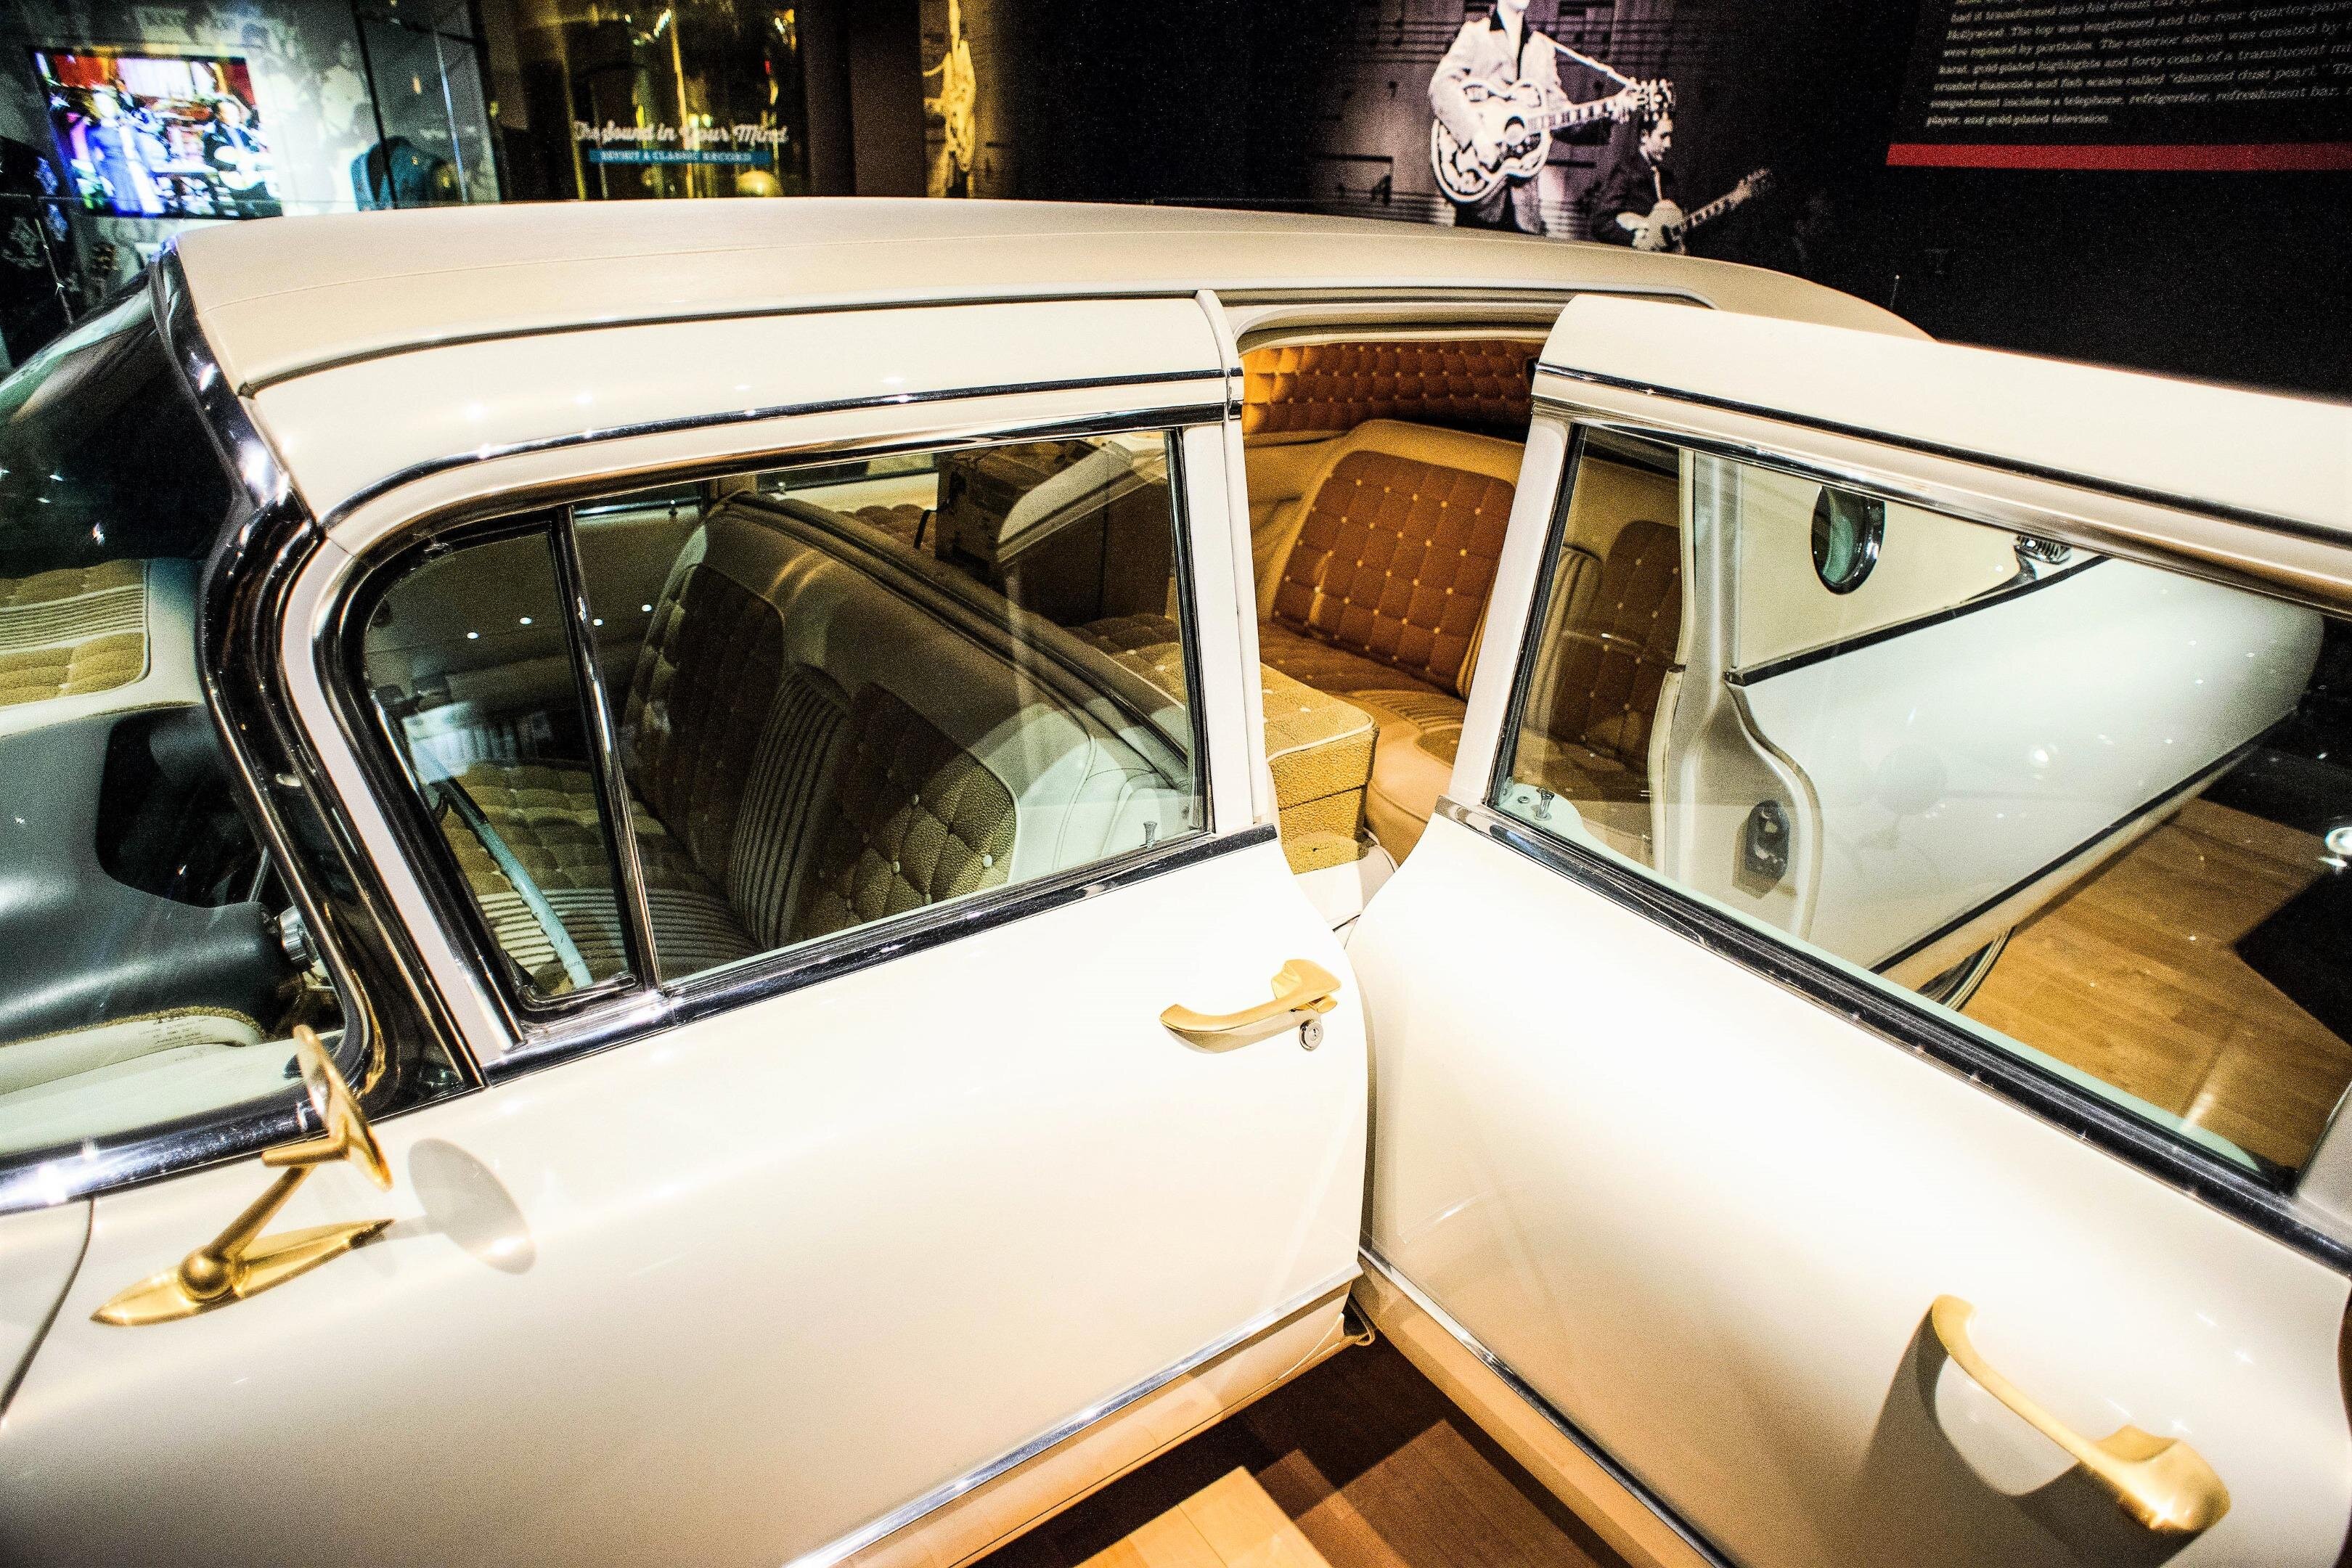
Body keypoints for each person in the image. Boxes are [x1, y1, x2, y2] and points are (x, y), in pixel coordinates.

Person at [1429, 0, 1622, 235]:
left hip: (1524, 207)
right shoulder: (1475, 34)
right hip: (1478, 191)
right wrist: (1476, 136)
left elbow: (1559, 117)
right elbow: (1441, 86)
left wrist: (1608, 113)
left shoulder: (1542, 47)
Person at [1589, 109, 1680, 250]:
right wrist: (1635, 241)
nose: (1669, 144)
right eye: (1663, 136)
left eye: (1670, 137)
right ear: (1644, 136)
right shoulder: (1626, 172)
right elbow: (1600, 222)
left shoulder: (1668, 179)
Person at [202, 97, 279, 219]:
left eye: (236, 113)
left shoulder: (242, 129)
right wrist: (235, 164)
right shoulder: (212, 133)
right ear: (218, 115)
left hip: (253, 177)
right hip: (233, 180)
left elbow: (254, 148)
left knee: (270, 208)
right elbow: (211, 159)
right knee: (247, 214)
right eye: (229, 114)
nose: (235, 117)